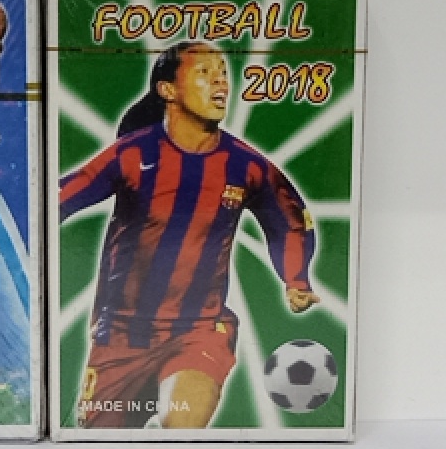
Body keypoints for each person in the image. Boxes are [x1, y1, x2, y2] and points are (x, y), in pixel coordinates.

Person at [59, 42, 320, 429]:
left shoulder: (246, 165)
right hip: (120, 335)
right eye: (204, 72)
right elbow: (58, 199)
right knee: (101, 447)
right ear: (168, 90)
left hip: (199, 330)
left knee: (181, 429)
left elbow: (290, 220)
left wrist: (296, 279)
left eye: (223, 73)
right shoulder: (131, 155)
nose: (221, 82)